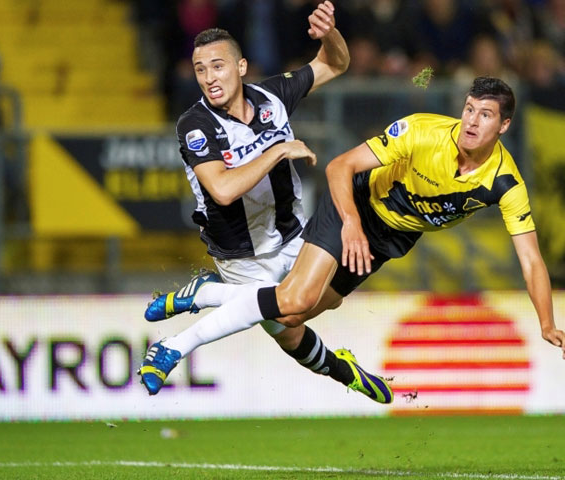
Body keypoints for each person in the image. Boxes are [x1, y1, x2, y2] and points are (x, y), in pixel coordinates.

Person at [140, 76, 565, 397]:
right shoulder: (422, 131)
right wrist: (351, 224)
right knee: (295, 300)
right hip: (352, 206)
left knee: (290, 318)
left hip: (387, 241)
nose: (471, 121)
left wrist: (547, 323)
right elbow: (339, 166)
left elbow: (530, 260)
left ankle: (208, 293)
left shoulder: (505, 183)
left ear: (504, 125)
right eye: (469, 109)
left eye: (485, 114)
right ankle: (176, 346)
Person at [140, 2, 395, 403]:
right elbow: (222, 190)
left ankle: (206, 296)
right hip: (242, 257)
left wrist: (330, 33)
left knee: (318, 304)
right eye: (201, 69)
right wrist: (277, 151)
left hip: (295, 237)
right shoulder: (195, 125)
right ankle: (344, 372)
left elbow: (335, 64)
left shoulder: (273, 94)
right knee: (290, 326)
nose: (209, 77)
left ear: (241, 67)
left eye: (218, 66)